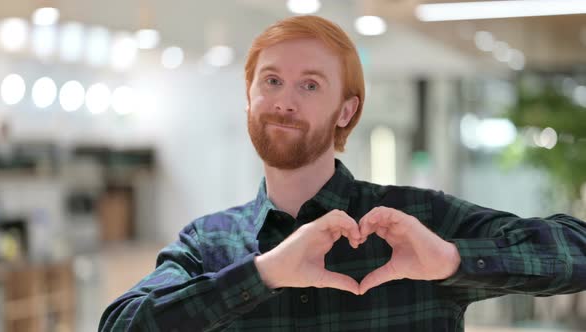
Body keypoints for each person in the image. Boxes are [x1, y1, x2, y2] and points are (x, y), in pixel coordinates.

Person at [99, 15, 586, 331]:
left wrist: (453, 259)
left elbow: (577, 249)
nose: (284, 100)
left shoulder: (416, 220)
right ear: (249, 96)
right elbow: (120, 326)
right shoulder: (210, 245)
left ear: (346, 111)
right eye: (271, 81)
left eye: (310, 85)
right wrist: (262, 275)